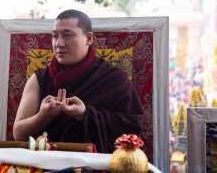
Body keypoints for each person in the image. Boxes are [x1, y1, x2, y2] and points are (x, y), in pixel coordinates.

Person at [13, 9, 144, 153]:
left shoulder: (113, 79)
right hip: (46, 163)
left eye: (67, 35)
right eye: (55, 36)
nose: (59, 43)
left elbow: (132, 128)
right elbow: (18, 134)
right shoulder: (40, 79)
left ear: (89, 38)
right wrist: (42, 116)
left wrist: (86, 114)